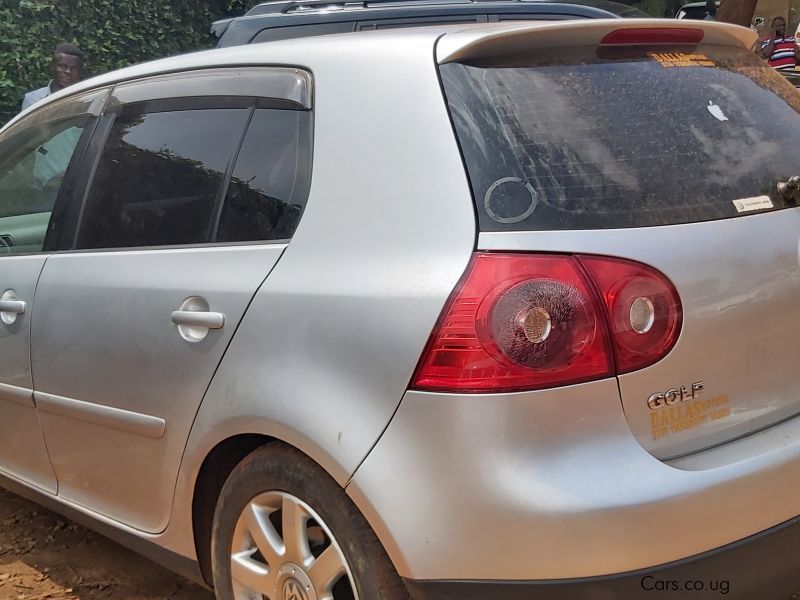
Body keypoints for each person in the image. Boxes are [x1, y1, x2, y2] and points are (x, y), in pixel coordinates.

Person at [20, 43, 84, 111]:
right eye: (62, 66)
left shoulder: (86, 99)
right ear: (52, 66)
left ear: (80, 71)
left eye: (74, 68)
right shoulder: (33, 100)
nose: (68, 71)